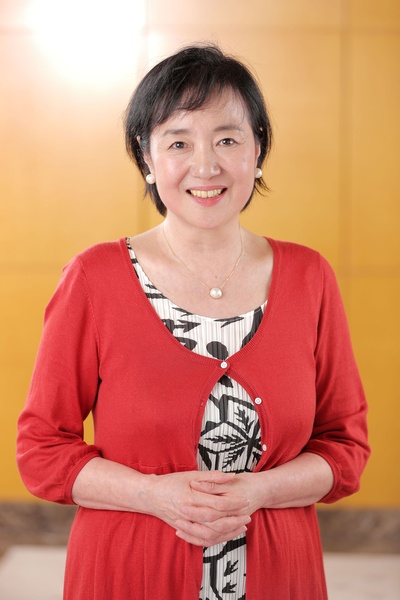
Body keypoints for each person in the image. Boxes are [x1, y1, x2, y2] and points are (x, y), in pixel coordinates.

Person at [17, 44, 370, 600]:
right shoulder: (93, 278)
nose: (206, 166)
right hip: (130, 573)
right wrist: (154, 495)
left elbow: (345, 449)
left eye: (227, 139)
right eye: (179, 142)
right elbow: (42, 450)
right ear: (147, 156)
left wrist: (259, 492)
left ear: (258, 148)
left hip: (282, 572)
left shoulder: (310, 277)